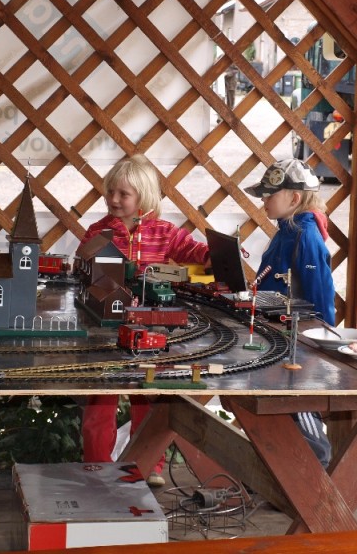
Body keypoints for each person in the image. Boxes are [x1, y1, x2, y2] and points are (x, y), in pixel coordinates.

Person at [81, 155, 209, 486]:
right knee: (101, 398)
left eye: (123, 194)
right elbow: (83, 267)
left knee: (147, 397)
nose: (113, 200)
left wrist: (216, 256)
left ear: (144, 196)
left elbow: (192, 251)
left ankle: (148, 464)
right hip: (107, 326)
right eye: (111, 192)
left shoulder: (165, 232)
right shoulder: (99, 231)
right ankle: (95, 464)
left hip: (150, 326)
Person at [243, 158, 335, 467]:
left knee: (300, 404)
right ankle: (285, 475)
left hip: (300, 343)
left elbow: (320, 298)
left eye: (269, 194)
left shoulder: (305, 237)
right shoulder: (286, 230)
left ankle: (316, 473)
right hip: (277, 335)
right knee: (275, 404)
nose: (264, 200)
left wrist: (323, 345)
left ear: (294, 198)